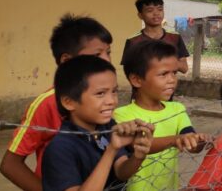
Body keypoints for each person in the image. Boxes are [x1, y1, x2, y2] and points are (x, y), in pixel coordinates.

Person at [0, 15, 113, 191]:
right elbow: (10, 165)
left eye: (109, 52)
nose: (106, 60)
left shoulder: (103, 99)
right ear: (66, 60)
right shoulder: (46, 104)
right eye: (97, 54)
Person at [41, 55, 153, 190]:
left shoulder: (108, 127)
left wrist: (138, 156)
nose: (112, 101)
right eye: (100, 93)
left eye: (114, 91)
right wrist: (111, 150)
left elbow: (121, 173)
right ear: (68, 102)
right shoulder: (60, 149)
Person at [114, 41, 208, 190]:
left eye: (174, 73)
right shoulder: (123, 115)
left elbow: (190, 143)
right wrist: (176, 139)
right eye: (163, 74)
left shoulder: (177, 109)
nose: (172, 80)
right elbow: (138, 145)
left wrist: (199, 141)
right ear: (137, 80)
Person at [122, 0, 189, 74]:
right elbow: (129, 70)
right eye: (150, 10)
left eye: (160, 9)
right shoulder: (133, 41)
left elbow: (184, 68)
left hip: (168, 85)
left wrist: (164, 61)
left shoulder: (175, 37)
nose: (156, 13)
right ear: (140, 15)